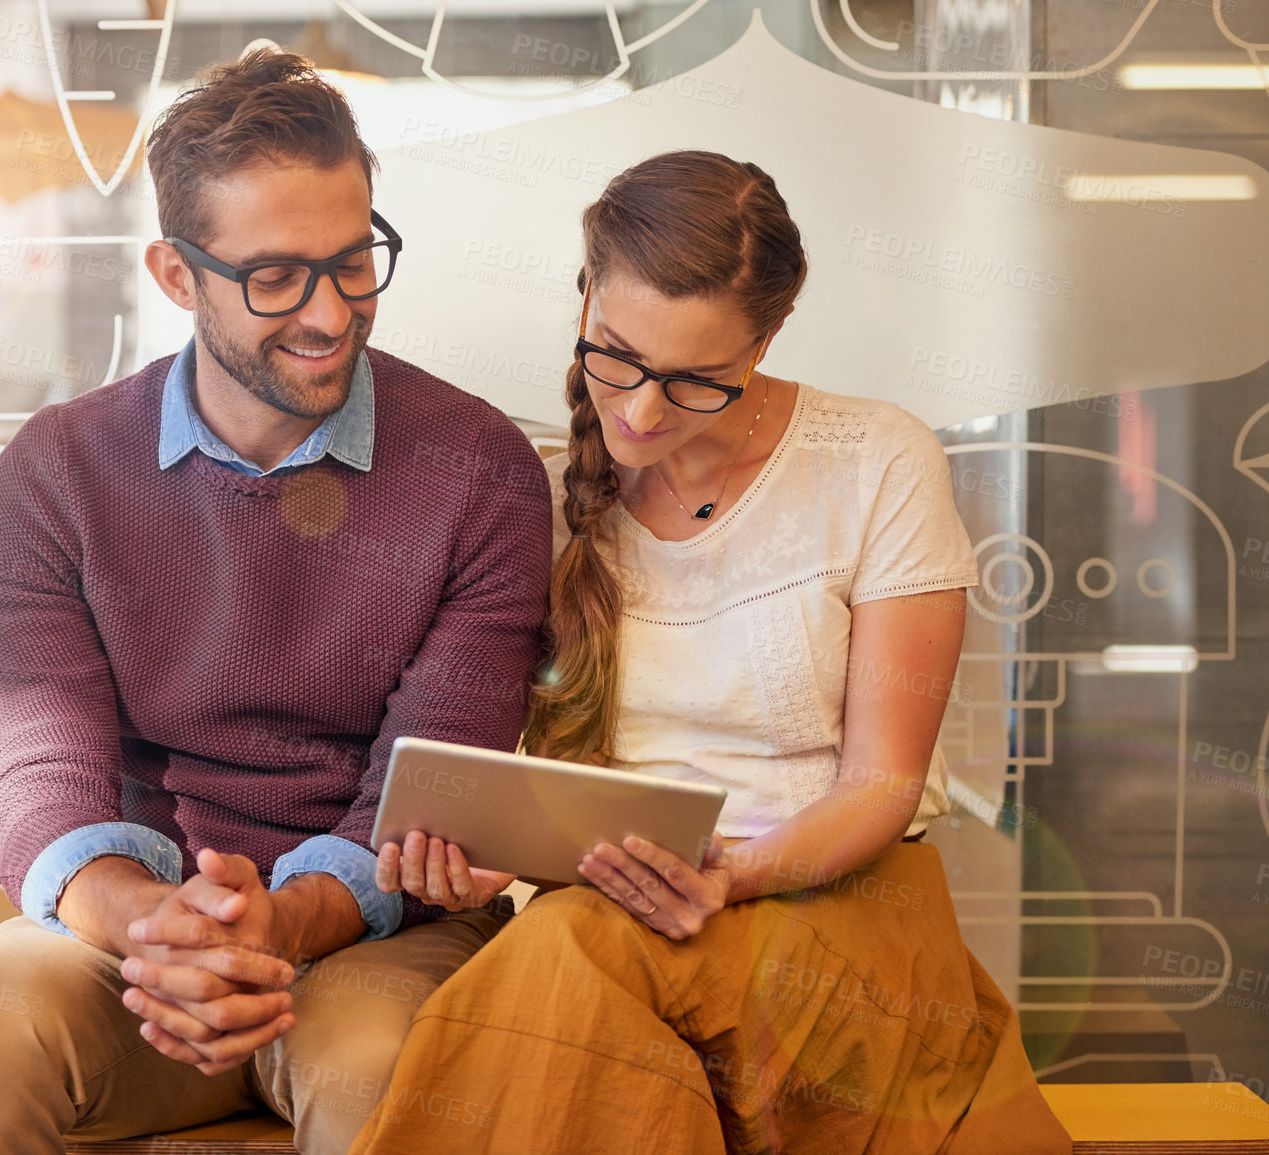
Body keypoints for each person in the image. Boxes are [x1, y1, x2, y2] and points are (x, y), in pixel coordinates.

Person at [0, 50, 553, 1155]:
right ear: (173, 274)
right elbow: (37, 780)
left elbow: (423, 783)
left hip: (378, 935)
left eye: (355, 263)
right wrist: (158, 924)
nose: (331, 313)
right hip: (136, 940)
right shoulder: (57, 473)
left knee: (380, 1072)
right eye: (277, 278)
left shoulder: (481, 468)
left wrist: (277, 922)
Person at [354, 151, 1074, 1154]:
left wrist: (730, 878)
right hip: (615, 920)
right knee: (573, 969)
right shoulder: (548, 503)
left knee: (561, 964)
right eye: (616, 356)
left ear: (769, 338)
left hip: (841, 913)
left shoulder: (876, 461)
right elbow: (546, 781)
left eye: (697, 382)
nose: (642, 412)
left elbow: (883, 785)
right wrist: (485, 864)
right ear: (586, 292)